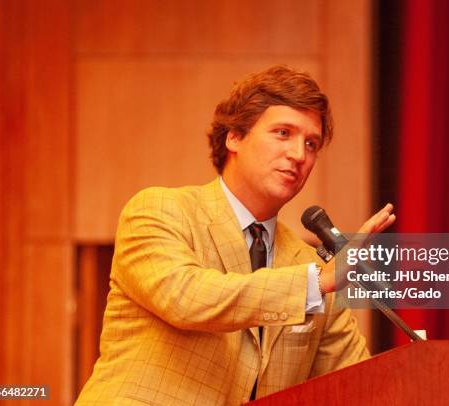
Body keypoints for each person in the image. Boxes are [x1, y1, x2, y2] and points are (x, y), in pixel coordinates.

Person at [76, 65, 395, 405]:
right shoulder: (159, 210)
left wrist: (429, 369)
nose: (298, 154)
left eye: (311, 143)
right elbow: (187, 298)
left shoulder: (311, 264)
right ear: (235, 137)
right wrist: (314, 284)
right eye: (283, 133)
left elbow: (358, 384)